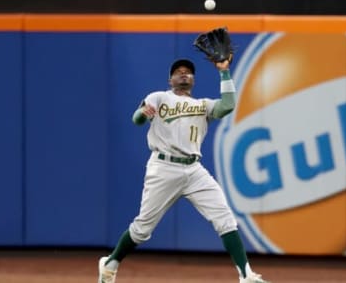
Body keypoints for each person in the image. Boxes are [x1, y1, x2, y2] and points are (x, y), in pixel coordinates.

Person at [97, 58, 270, 283]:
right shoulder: (159, 97)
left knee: (225, 218)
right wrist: (144, 114)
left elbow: (227, 105)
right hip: (163, 167)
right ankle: (111, 263)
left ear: (194, 80)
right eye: (178, 72)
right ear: (170, 80)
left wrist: (224, 72)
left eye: (188, 72)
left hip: (194, 169)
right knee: (142, 229)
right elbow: (136, 119)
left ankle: (246, 275)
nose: (184, 74)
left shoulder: (203, 105)